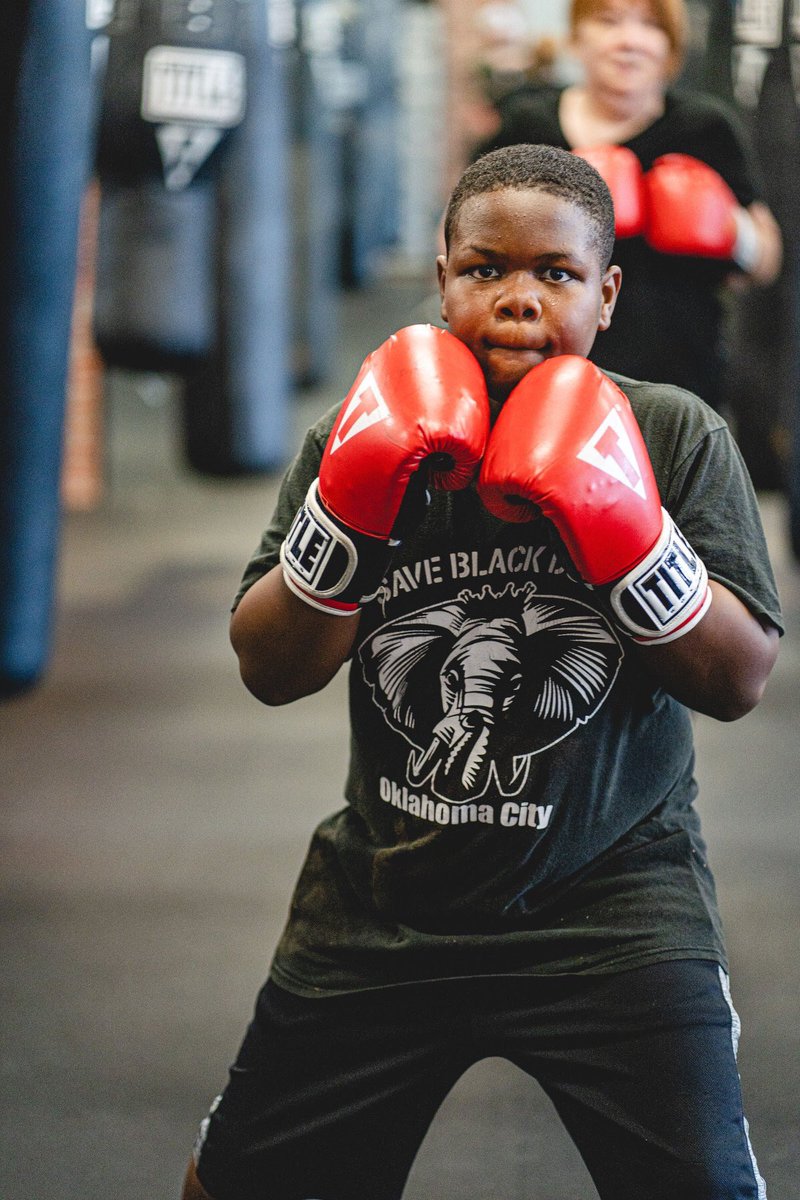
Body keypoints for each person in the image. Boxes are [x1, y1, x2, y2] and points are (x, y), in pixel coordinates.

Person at [181, 143, 782, 1200]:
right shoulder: (357, 432)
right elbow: (270, 667)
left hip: (613, 909)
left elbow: (735, 681)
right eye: (483, 269)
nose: (515, 300)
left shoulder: (669, 433)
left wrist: (628, 536)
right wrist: (351, 504)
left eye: (553, 275)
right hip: (382, 903)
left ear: (606, 293)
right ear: (441, 275)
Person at [477, 0, 782, 411]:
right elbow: (455, 239)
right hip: (540, 387)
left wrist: (729, 230)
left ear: (670, 47)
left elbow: (766, 261)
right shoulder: (529, 125)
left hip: (680, 391)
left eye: (650, 26)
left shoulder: (704, 129)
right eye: (608, 21)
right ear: (577, 37)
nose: (629, 41)